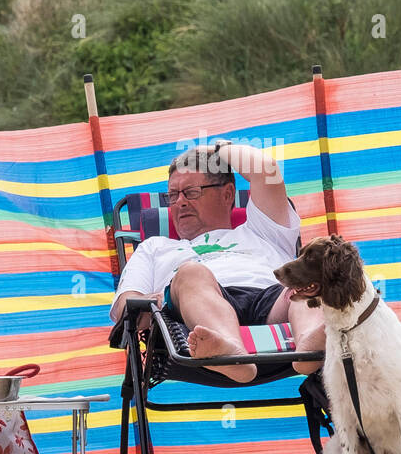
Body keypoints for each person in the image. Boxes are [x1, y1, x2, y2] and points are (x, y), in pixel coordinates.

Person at [110, 140, 325, 382]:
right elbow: (123, 308)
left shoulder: (262, 229)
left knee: (312, 278)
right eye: (172, 195)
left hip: (273, 298)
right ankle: (230, 352)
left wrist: (219, 150)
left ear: (227, 194)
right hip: (197, 316)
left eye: (191, 192)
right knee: (192, 272)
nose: (179, 202)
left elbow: (266, 169)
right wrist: (159, 298)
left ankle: (310, 346)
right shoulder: (155, 247)